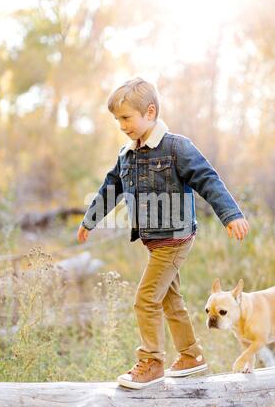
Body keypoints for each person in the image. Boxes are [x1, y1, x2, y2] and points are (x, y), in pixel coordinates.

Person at [77, 78, 249, 389]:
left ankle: (152, 361)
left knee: (145, 298)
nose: (121, 125)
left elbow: (208, 179)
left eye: (126, 118)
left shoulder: (176, 147)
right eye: (117, 119)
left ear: (150, 112)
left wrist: (231, 214)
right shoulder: (127, 154)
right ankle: (192, 356)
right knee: (170, 300)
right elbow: (110, 188)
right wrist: (90, 220)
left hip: (176, 237)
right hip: (154, 242)